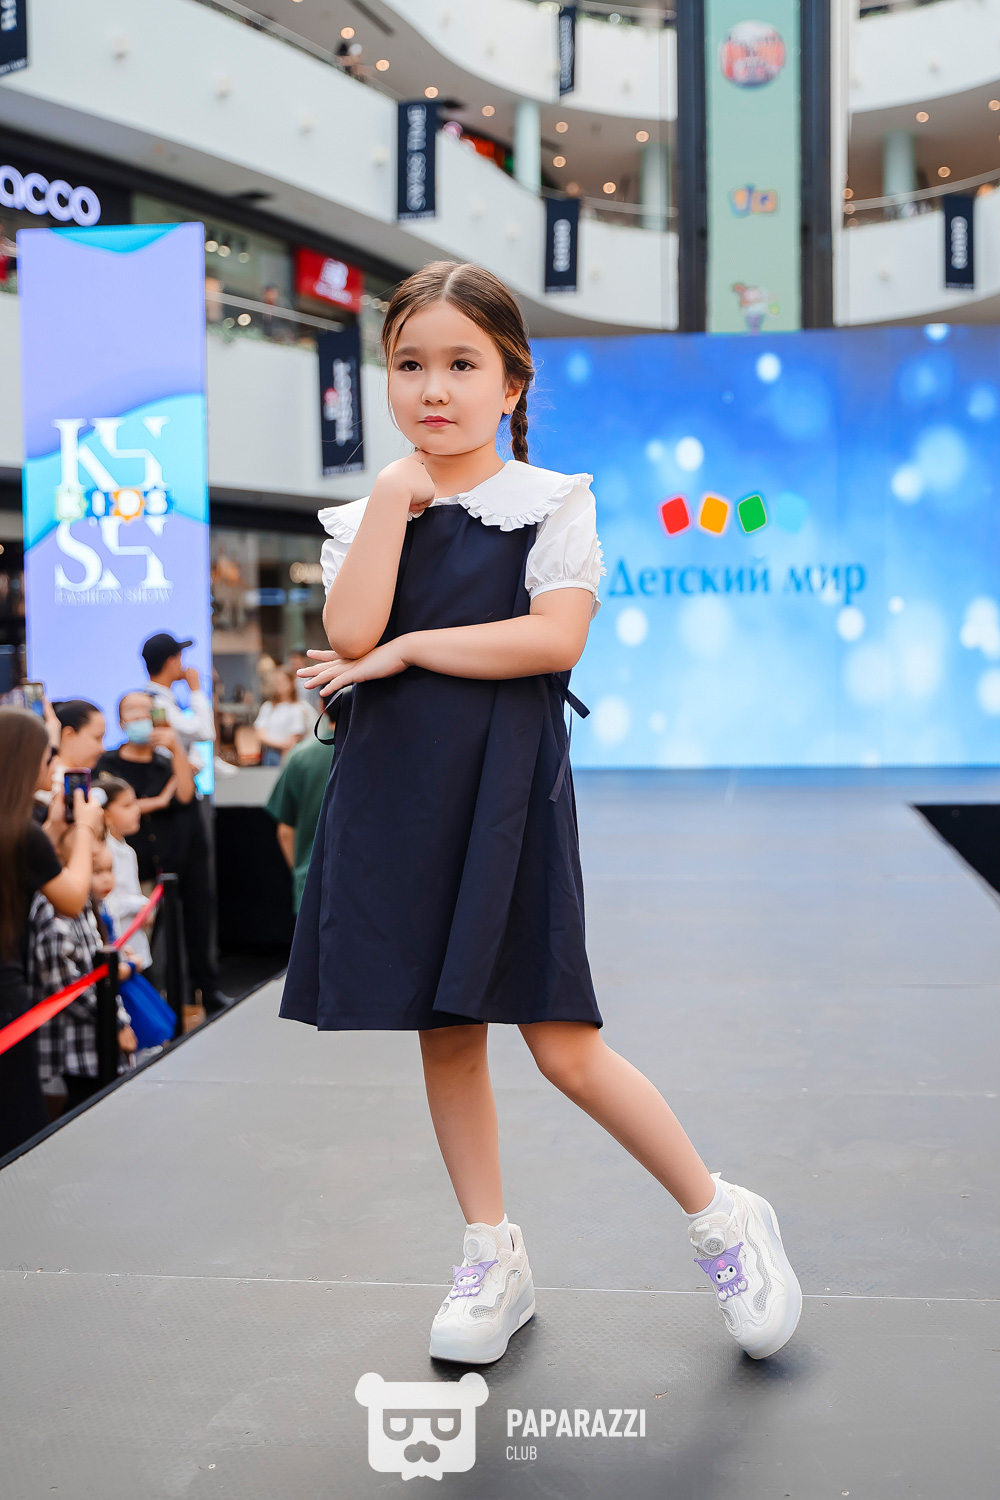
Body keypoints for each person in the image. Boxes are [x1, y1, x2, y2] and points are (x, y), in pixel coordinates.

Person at [283, 261, 802, 1367]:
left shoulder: (554, 501)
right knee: (445, 1036)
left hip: (506, 793)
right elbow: (350, 629)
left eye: (462, 364)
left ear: (511, 382)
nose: (434, 387)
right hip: (397, 794)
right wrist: (393, 497)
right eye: (409, 364)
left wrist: (411, 652)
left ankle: (722, 1216)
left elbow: (552, 640)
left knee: (563, 1043)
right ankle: (492, 1254)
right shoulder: (370, 512)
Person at [0, 707, 105, 1155]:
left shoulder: (21, 833)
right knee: (17, 1121)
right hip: (6, 994)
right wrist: (83, 830)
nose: (54, 765)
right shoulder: (23, 835)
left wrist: (51, 831)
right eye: (49, 757)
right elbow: (73, 897)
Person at [97, 691, 230, 1016]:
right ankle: (147, 1009)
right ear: (121, 720)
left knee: (186, 931)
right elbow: (110, 809)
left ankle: (197, 993)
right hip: (132, 869)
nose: (141, 718)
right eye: (133, 712)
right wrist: (156, 802)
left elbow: (185, 795)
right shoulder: (107, 765)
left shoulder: (166, 761)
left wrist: (175, 748)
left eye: (147, 711)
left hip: (173, 864)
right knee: (135, 941)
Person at [32, 828, 137, 1111]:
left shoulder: (84, 902)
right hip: (76, 1051)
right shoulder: (54, 908)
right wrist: (115, 1022)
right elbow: (68, 985)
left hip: (94, 1043)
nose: (94, 849)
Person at [264, 699, 340, 911]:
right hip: (364, 891)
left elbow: (285, 832)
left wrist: (300, 874)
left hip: (310, 885)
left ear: (321, 706)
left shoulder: (300, 757)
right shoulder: (378, 756)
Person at [95, 774, 153, 970]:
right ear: (106, 815)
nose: (136, 810)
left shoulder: (127, 850)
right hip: (118, 950)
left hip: (135, 947)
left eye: (135, 803)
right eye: (127, 805)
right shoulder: (103, 852)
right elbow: (107, 904)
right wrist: (141, 904)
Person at [254, 666, 310, 766]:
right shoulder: (268, 707)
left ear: (291, 683)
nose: (279, 684)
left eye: (283, 680)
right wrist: (281, 743)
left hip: (285, 755)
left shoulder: (297, 708)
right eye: (276, 681)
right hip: (268, 755)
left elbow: (292, 741)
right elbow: (259, 734)